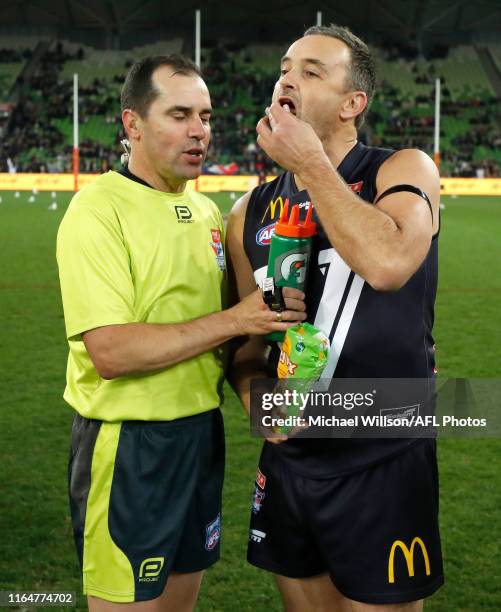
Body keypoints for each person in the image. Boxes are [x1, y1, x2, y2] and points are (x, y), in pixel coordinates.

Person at [56, 54, 305, 612]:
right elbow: (111, 351)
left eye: (207, 116)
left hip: (199, 438)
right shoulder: (96, 211)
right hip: (130, 446)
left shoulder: (209, 213)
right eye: (179, 115)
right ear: (133, 124)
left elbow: (231, 345)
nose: (199, 131)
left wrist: (272, 381)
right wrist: (239, 317)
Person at [227, 25, 443, 611]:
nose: (287, 78)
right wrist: (259, 406)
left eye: (312, 70)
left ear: (353, 104)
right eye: (284, 66)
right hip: (290, 464)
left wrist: (311, 165)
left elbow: (390, 264)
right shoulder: (248, 211)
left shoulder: (402, 170)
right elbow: (245, 352)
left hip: (382, 457)